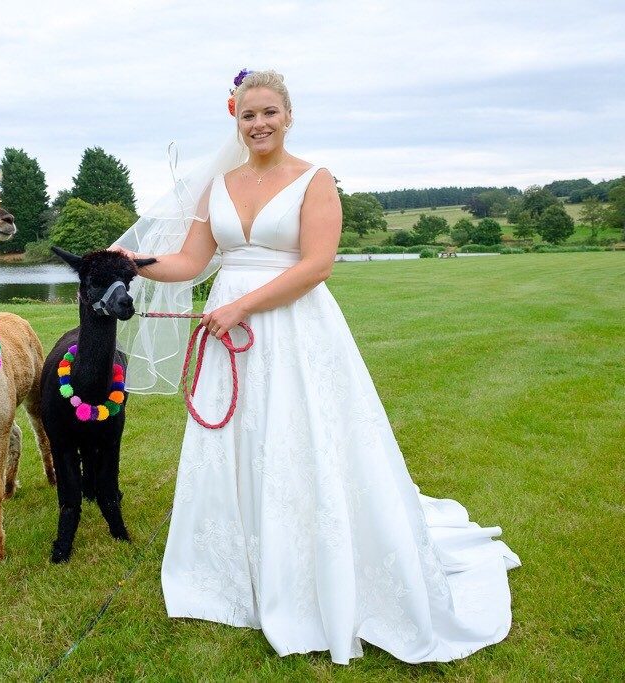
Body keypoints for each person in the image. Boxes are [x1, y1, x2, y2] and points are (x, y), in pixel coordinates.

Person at [112, 69, 520, 664]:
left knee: (299, 438)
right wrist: (135, 261)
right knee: (238, 441)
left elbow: (316, 265)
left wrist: (242, 306)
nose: (259, 124)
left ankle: (306, 567)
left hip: (293, 326)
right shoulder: (217, 186)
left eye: (269, 112)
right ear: (235, 119)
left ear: (288, 115)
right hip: (230, 328)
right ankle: (233, 570)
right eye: (248, 115)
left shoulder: (314, 180)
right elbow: (190, 261)